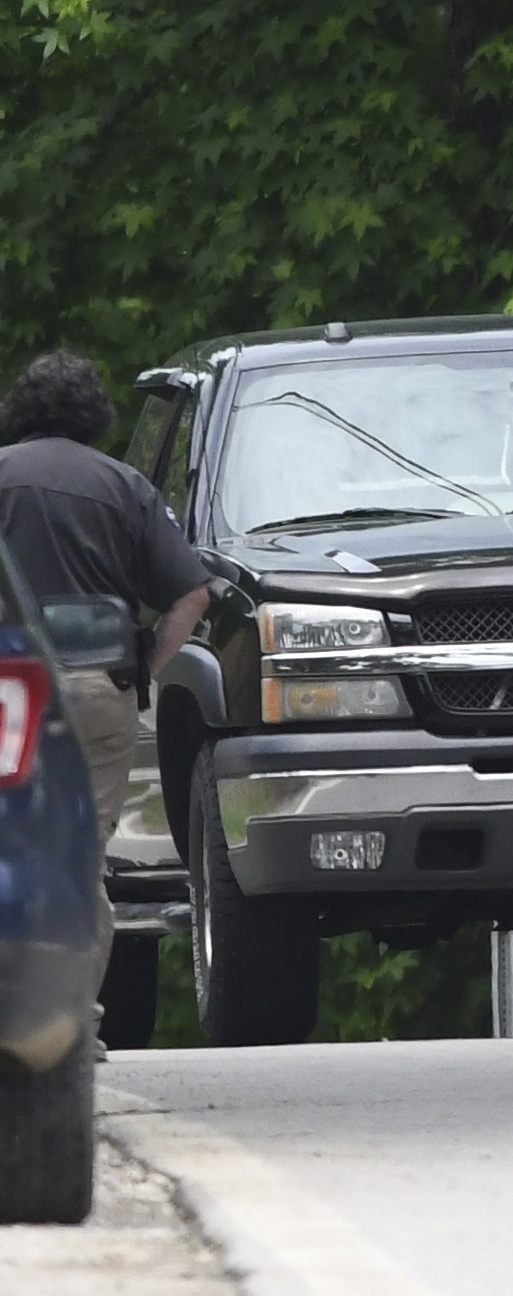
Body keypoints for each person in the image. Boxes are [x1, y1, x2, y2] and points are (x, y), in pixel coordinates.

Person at [0, 352, 210, 1038]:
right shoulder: (123, 486)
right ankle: (74, 1025)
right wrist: (146, 660)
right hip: (99, 692)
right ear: (94, 415)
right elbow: (190, 593)